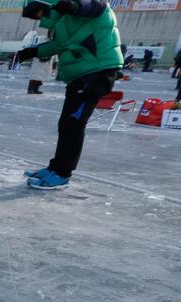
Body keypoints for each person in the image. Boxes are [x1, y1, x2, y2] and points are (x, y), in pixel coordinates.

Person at [17, 0, 123, 190]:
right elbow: (59, 45)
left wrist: (75, 6)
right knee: (66, 124)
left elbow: (97, 6)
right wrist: (32, 51)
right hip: (82, 74)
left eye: (40, 14)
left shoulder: (86, 8)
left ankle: (62, 174)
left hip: (96, 73)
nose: (39, 19)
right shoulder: (64, 22)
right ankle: (55, 167)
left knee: (74, 124)